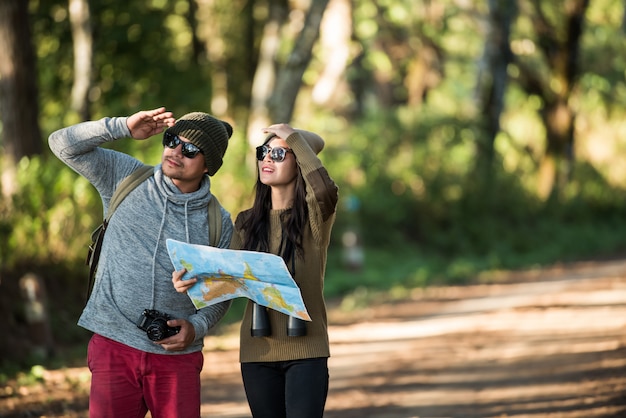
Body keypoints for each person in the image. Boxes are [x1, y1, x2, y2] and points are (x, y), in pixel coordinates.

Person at [48, 107, 234, 418]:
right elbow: (61, 143)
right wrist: (120, 127)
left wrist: (196, 327)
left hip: (177, 357)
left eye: (190, 149)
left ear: (208, 165)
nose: (176, 151)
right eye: (172, 139)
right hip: (113, 344)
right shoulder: (125, 177)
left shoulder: (218, 221)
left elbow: (223, 292)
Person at [174, 123, 339, 418]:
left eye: (278, 153)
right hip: (256, 352)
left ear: (298, 161)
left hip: (306, 351)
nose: (267, 159)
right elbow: (229, 278)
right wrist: (193, 278)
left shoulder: (314, 220)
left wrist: (292, 135)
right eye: (264, 152)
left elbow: (324, 187)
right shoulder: (246, 223)